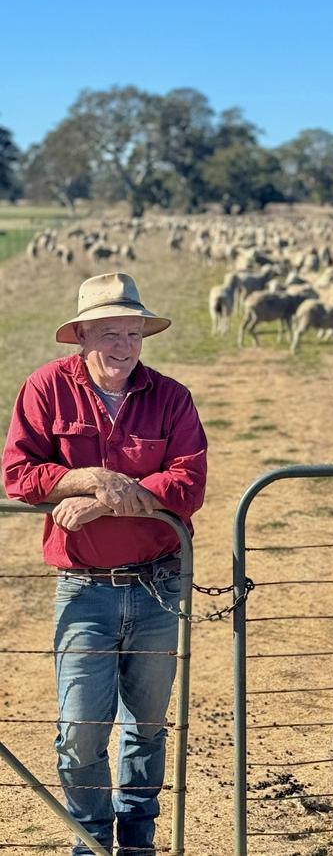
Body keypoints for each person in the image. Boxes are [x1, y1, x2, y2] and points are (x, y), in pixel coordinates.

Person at [2, 272, 208, 856]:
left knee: (147, 727)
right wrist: (90, 476)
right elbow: (19, 475)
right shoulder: (45, 389)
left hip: (158, 586)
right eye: (109, 333)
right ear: (82, 336)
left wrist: (97, 502)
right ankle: (90, 842)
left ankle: (137, 842)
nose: (123, 345)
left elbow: (188, 484)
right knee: (80, 733)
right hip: (83, 588)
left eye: (133, 333)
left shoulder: (171, 397)